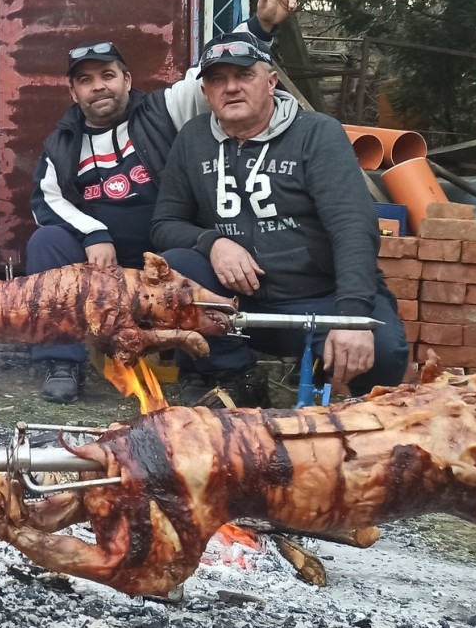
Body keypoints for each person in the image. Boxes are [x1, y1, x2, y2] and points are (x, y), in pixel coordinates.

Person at [25, 0, 306, 402]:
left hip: (166, 252)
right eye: (86, 80)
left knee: (186, 254)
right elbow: (46, 201)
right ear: (73, 92)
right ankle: (61, 363)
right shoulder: (62, 141)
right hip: (100, 261)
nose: (99, 87)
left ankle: (219, 369)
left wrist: (262, 25)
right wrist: (94, 233)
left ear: (127, 80)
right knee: (45, 242)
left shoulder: (163, 110)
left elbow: (213, 68)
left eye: (108, 76)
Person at [149, 36, 409, 404]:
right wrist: (214, 243)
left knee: (383, 351)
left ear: (271, 82)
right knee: (176, 265)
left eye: (244, 75)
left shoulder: (317, 134)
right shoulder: (193, 139)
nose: (232, 87)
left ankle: (365, 412)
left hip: (319, 297)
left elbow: (353, 227)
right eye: (218, 80)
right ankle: (234, 378)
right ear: (206, 93)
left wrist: (352, 318)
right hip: (239, 305)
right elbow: (164, 224)